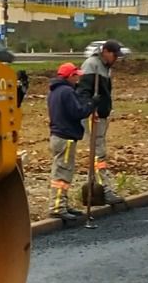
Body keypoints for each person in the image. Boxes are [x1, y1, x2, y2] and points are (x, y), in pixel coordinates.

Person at [79, 40, 126, 205]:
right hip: (94, 117)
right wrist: (91, 109)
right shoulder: (92, 65)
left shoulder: (105, 67)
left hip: (101, 116)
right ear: (105, 51)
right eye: (114, 55)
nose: (116, 59)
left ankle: (99, 189)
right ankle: (104, 190)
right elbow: (83, 92)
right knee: (98, 153)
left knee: (100, 152)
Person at [46, 62, 93, 223]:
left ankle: (62, 204)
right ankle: (58, 207)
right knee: (62, 174)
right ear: (70, 76)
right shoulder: (66, 92)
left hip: (57, 136)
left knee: (61, 171)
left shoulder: (54, 92)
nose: (78, 80)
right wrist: (91, 104)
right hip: (65, 137)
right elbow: (77, 112)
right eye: (76, 76)